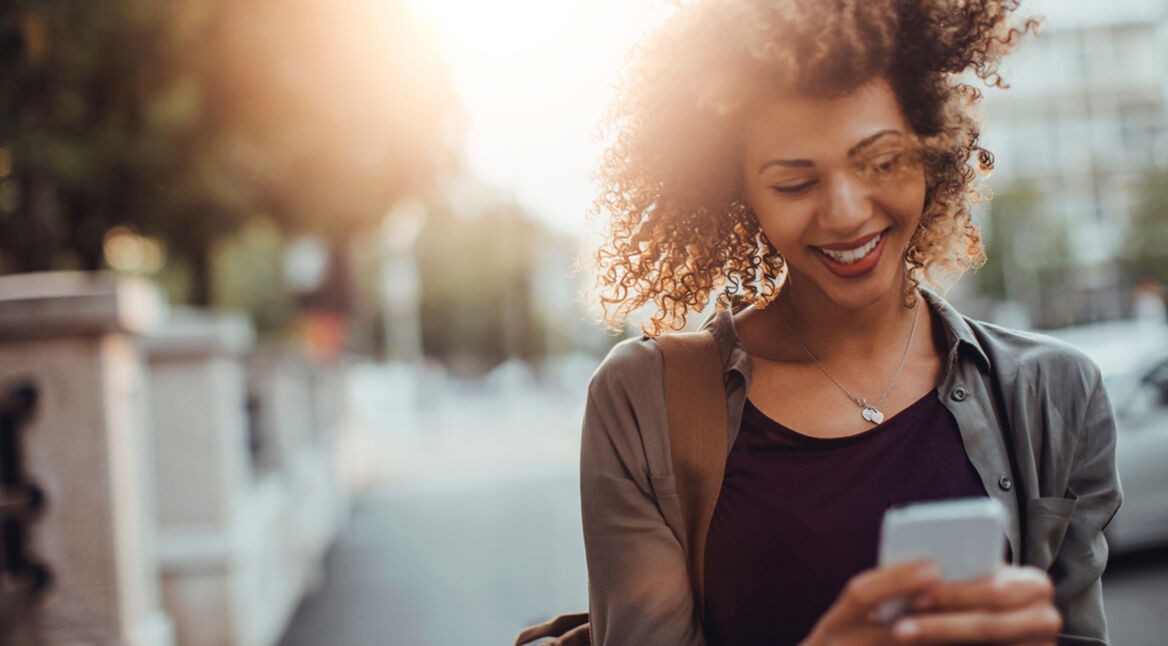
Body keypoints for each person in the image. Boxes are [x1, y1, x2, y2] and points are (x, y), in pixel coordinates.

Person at [580, 0, 1122, 644]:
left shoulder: (1056, 395)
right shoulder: (643, 403)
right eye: (794, 184)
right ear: (737, 191)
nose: (845, 213)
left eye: (882, 161)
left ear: (930, 149)